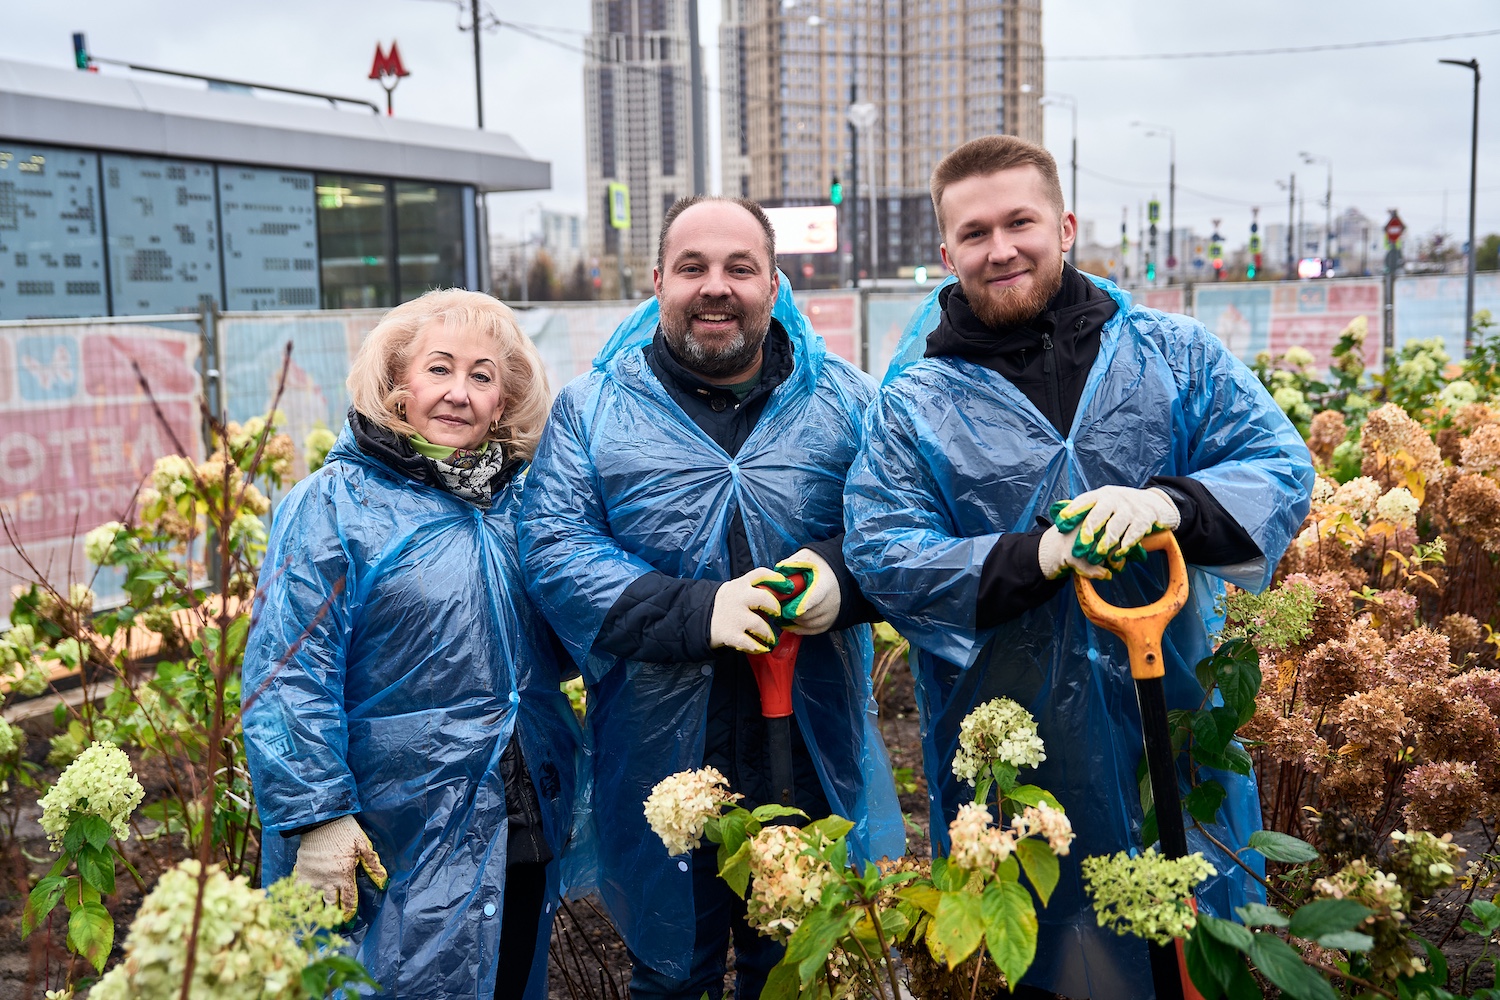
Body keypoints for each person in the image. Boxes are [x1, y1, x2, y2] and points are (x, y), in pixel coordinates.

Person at [843, 136, 1314, 999]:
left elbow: (1278, 468)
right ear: (946, 254)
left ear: (1062, 226)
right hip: (1012, 746)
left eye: (1020, 221)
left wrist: (1171, 503)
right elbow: (885, 552)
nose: (1001, 248)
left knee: (1202, 943)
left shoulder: (1176, 355)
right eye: (975, 233)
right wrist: (1040, 556)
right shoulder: (914, 403)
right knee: (1054, 957)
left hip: (1175, 714)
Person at [519, 196, 904, 1000]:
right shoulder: (592, 414)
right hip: (661, 761)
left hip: (808, 740)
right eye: (692, 267)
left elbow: (900, 528)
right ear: (658, 281)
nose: (715, 286)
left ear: (775, 284)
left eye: (739, 268)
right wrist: (699, 613)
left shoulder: (846, 404)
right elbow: (555, 550)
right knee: (670, 973)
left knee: (798, 965)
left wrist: (842, 577)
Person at [242, 289, 584, 1000]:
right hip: (387, 829)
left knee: (507, 974)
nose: (460, 393)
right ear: (399, 386)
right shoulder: (331, 505)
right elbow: (287, 672)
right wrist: (317, 816)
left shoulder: (522, 504)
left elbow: (566, 640)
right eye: (440, 369)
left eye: (482, 376)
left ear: (503, 399)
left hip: (516, 815)